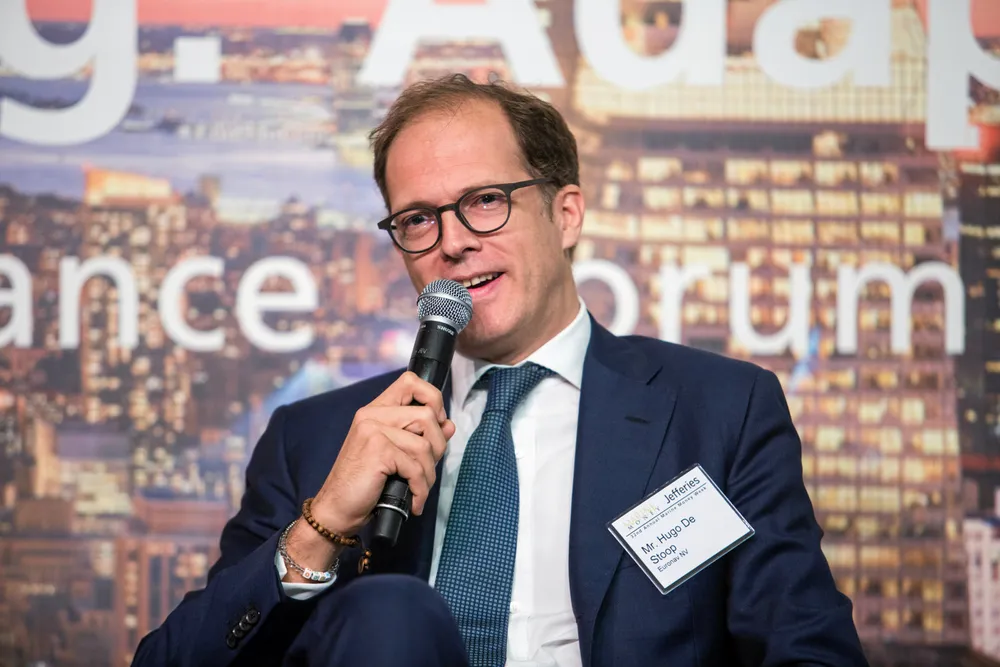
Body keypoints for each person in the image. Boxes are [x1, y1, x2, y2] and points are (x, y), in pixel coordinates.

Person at [132, 73, 868, 667]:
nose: (452, 242)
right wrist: (320, 527)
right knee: (391, 610)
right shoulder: (315, 438)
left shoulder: (717, 412)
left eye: (485, 201)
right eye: (418, 219)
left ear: (566, 214)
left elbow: (808, 648)